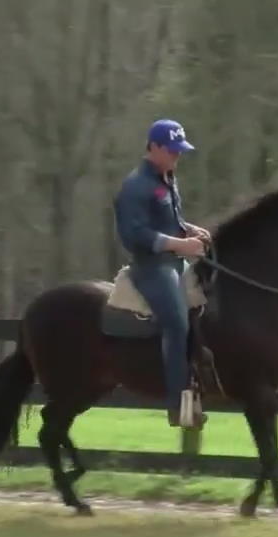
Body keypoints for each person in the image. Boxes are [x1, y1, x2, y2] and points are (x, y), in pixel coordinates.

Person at [113, 118, 212, 427]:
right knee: (176, 322)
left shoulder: (166, 178)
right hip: (152, 268)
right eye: (171, 151)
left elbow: (171, 219)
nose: (176, 156)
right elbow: (136, 235)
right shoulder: (134, 187)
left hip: (175, 261)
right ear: (153, 147)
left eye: (179, 151)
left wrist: (191, 230)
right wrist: (181, 245)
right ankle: (177, 403)